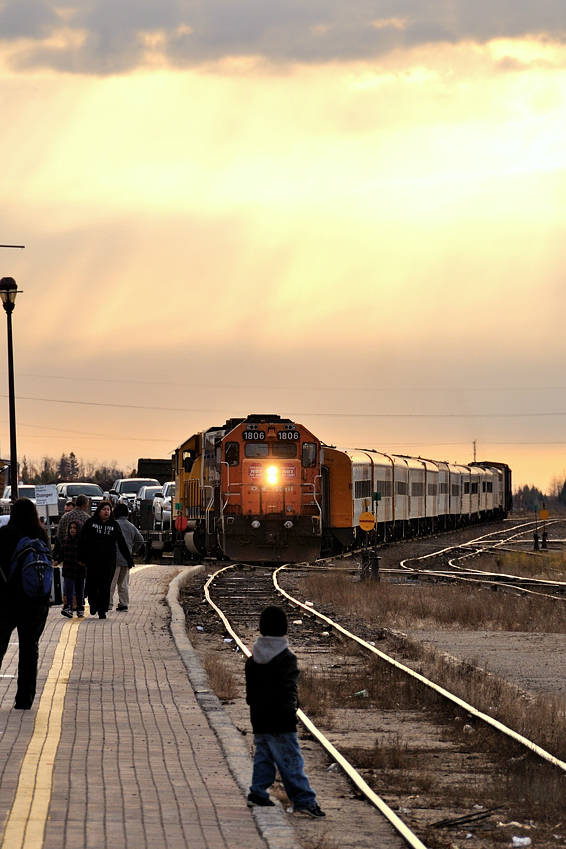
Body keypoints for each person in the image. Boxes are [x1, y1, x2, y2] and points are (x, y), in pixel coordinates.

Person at [245, 605, 325, 818]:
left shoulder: (253, 659)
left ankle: (258, 793)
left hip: (259, 718)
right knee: (290, 760)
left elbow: (250, 694)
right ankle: (304, 800)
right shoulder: (286, 657)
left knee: (264, 757)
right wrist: (292, 711)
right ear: (284, 629)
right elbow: (289, 689)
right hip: (281, 720)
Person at [0, 498, 51, 710]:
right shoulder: (42, 535)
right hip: (38, 601)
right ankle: (25, 699)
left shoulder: (5, 534)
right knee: (30, 649)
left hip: (8, 601)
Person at [77, 501, 133, 619]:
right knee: (92, 584)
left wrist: (129, 559)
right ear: (99, 510)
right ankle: (93, 604)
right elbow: (81, 540)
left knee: (105, 586)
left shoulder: (114, 525)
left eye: (108, 509)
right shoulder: (91, 523)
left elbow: (121, 542)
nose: (106, 511)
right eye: (104, 509)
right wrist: (81, 557)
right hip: (93, 561)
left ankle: (102, 610)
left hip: (109, 562)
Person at [110, 502, 143, 611]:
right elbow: (140, 540)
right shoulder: (131, 526)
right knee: (123, 584)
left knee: (111, 583)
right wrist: (132, 551)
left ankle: (108, 604)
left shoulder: (113, 525)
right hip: (126, 559)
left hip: (114, 559)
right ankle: (123, 603)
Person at [53, 520, 85, 618]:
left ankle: (80, 608)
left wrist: (84, 562)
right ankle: (69, 607)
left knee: (79, 590)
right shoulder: (66, 540)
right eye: (70, 528)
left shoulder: (82, 541)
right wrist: (57, 560)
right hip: (68, 569)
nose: (72, 530)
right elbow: (62, 553)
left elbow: (87, 553)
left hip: (79, 569)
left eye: (74, 528)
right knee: (69, 589)